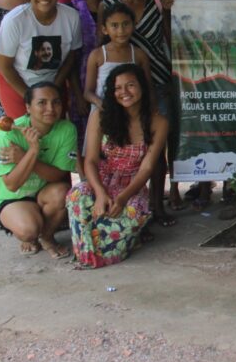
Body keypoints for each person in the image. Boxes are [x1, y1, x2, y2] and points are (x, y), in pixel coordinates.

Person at [67, 64, 169, 267]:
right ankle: (91, 252)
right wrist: (100, 193)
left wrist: (122, 198)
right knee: (77, 195)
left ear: (142, 87)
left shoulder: (159, 122)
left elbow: (147, 169)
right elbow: (91, 161)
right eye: (118, 88)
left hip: (132, 186)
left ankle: (101, 246)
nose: (124, 92)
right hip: (102, 179)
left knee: (133, 212)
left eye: (130, 85)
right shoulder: (100, 115)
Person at [103, 0, 174, 227]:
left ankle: (158, 204)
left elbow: (169, 37)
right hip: (123, 89)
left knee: (158, 147)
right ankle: (125, 202)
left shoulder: (157, 1)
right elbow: (103, 45)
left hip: (158, 80)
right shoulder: (109, 4)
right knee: (127, 147)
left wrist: (168, 12)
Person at [0, 81, 75, 258]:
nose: (50, 108)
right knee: (28, 230)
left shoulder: (66, 129)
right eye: (42, 103)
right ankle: (31, 233)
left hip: (42, 192)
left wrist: (27, 157)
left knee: (62, 191)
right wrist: (33, 150)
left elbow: (59, 174)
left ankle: (47, 237)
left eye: (56, 102)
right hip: (11, 197)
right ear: (28, 107)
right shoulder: (8, 134)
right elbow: (12, 184)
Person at [0, 0, 82, 119]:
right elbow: (4, 65)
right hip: (17, 82)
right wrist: (30, 97)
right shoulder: (14, 20)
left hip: (53, 84)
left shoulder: (71, 17)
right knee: (26, 134)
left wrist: (55, 86)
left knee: (54, 133)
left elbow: (71, 56)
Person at [68, 0, 114, 149]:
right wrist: (79, 95)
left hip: (113, 85)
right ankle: (87, 179)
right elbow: (70, 57)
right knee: (84, 143)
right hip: (81, 83)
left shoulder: (116, 5)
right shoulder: (73, 9)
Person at [83, 4, 151, 111]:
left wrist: (153, 111)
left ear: (133, 25)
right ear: (105, 29)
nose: (121, 31)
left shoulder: (139, 55)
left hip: (132, 113)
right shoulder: (97, 55)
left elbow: (148, 89)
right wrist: (100, 103)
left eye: (125, 24)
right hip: (103, 114)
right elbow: (88, 92)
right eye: (114, 25)